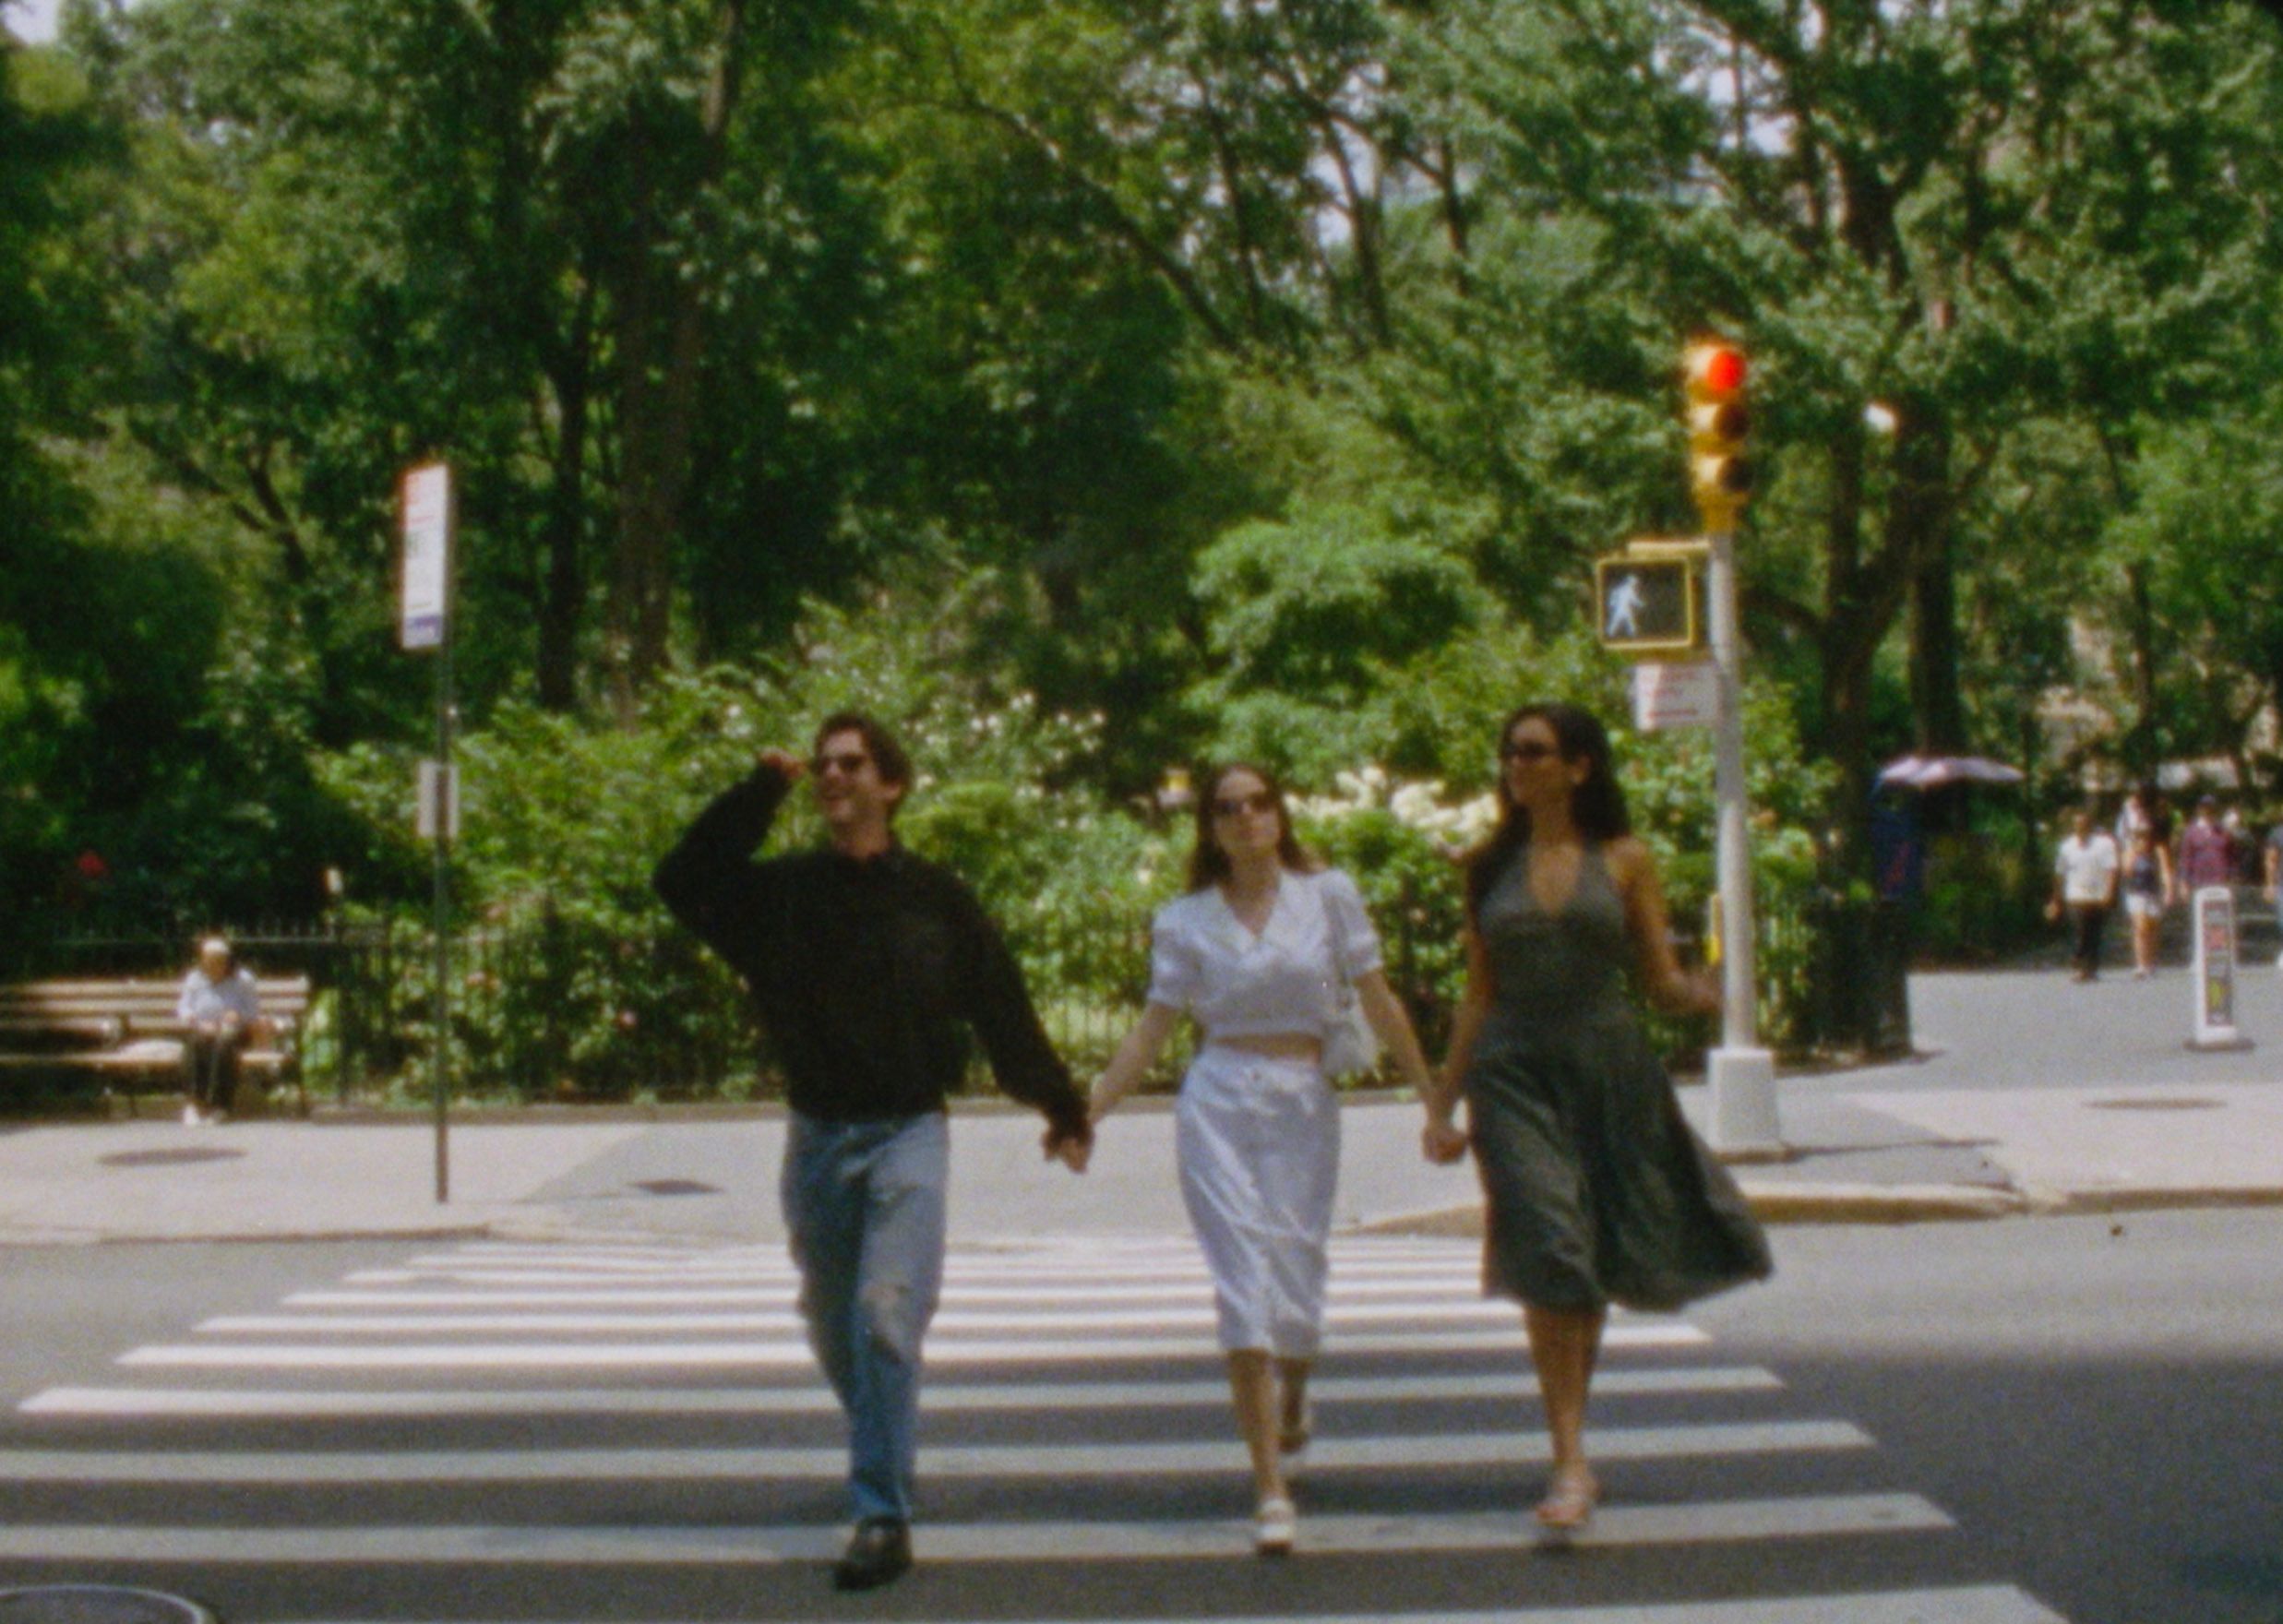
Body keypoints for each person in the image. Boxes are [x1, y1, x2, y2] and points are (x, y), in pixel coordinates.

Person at [651, 712, 1094, 1593]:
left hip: (908, 1132)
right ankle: (884, 1446)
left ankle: (880, 1512)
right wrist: (758, 790)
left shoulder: (937, 897)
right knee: (831, 1321)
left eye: (851, 764)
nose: (832, 777)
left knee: (887, 1314)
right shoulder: (780, 896)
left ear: (890, 783)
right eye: (821, 767)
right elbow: (682, 878)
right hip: (818, 1135)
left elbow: (1001, 1004)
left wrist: (1057, 1102)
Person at [1424, 703, 1770, 1535]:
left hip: (1605, 1066)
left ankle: (1573, 1448)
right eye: (1509, 751)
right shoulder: (1485, 865)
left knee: (1591, 1254)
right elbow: (1479, 992)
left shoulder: (1625, 859)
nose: (1517, 764)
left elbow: (1657, 977)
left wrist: (1699, 994)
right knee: (1551, 1244)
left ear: (1579, 766)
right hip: (1512, 1074)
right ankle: (1570, 1458)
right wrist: (1442, 1102)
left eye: (1535, 752)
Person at [1088, 763, 1439, 1557]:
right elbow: (1153, 1028)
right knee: (1242, 1279)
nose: (1246, 818)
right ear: (1210, 827)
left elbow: (1379, 999)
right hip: (1216, 1100)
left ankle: (1294, 1400)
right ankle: (1269, 1489)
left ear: (1280, 814)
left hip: (1301, 1097)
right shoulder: (1185, 920)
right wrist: (1089, 1114)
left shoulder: (1327, 896)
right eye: (1227, 808)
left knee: (1298, 1267)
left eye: (1258, 803)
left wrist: (1433, 1099)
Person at [176, 937, 262, 1125]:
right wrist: (194, 1020)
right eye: (209, 962)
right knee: (195, 1043)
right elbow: (184, 1008)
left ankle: (219, 1106)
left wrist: (237, 1015)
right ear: (203, 961)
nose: (215, 967)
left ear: (228, 961)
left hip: (234, 1031)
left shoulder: (243, 980)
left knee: (224, 1044)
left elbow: (253, 1013)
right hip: (203, 1027)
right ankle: (194, 1104)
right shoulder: (194, 978)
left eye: (220, 961)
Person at [2049, 807, 2120, 982]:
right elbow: (2060, 874)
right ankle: (2079, 964)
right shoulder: (2067, 847)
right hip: (2075, 895)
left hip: (2097, 895)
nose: (2080, 827)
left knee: (2094, 932)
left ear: (2090, 825)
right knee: (2080, 930)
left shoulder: (2104, 844)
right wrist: (2055, 899)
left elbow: (2111, 869)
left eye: (2084, 824)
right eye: (2077, 824)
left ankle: (2092, 967)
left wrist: (2109, 892)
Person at [2121, 825, 2173, 980]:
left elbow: (2165, 871)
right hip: (2136, 893)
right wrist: (2136, 853)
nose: (2143, 840)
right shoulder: (2129, 852)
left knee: (2153, 927)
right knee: (2140, 927)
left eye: (2145, 836)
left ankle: (2151, 961)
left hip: (2154, 893)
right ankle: (2141, 965)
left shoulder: (2158, 851)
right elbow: (2127, 871)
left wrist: (2169, 890)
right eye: (2139, 836)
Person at [2176, 795, 2234, 896]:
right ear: (2199, 809)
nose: (2208, 811)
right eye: (2205, 807)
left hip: (2221, 882)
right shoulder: (2191, 832)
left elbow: (2232, 857)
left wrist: (2232, 879)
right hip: (2198, 882)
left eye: (2211, 807)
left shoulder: (2224, 832)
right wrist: (2183, 883)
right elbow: (2185, 859)